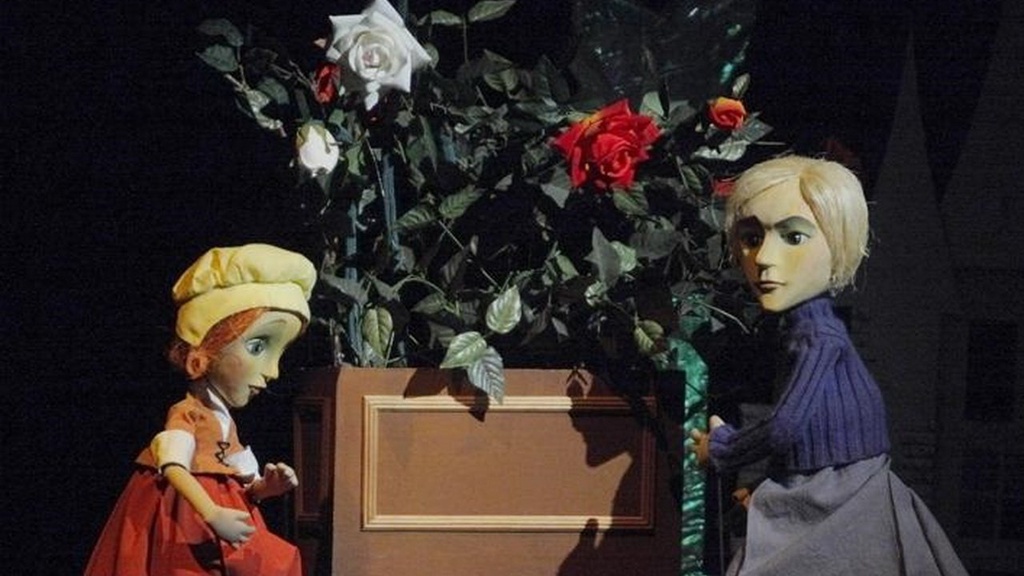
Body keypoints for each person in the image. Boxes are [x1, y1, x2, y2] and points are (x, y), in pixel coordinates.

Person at [689, 156, 967, 574]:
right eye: (751, 237)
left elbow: (785, 426)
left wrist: (724, 447)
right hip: (829, 488)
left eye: (793, 237)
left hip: (844, 501)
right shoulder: (804, 332)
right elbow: (805, 427)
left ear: (838, 246)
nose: (763, 257)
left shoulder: (817, 337)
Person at [85, 243, 316, 576]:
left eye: (280, 353)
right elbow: (173, 467)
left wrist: (267, 488)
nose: (273, 371)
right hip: (182, 515)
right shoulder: (188, 413)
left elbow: (239, 478)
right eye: (257, 346)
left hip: (226, 510)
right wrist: (211, 513)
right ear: (205, 352)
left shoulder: (224, 422)